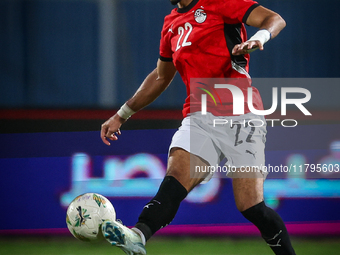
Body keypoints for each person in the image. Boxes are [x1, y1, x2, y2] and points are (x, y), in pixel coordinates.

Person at [100, 0, 296, 254]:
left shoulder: (220, 2)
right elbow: (161, 76)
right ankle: (138, 236)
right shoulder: (171, 24)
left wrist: (260, 37)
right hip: (199, 116)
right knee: (175, 176)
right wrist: (122, 114)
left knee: (250, 206)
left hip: (242, 112)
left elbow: (275, 19)